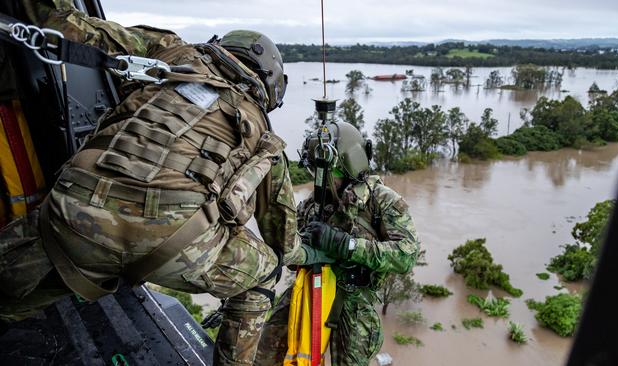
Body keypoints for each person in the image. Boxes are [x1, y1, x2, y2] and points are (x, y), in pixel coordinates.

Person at [0, 1, 301, 365]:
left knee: (25, 279)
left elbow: (72, 27)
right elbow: (283, 240)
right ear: (269, 83)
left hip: (78, 214)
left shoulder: (173, 53)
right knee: (264, 273)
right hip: (177, 243)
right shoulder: (265, 138)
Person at [254, 121, 421, 366]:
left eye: (325, 173)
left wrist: (347, 245)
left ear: (347, 164)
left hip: (354, 303)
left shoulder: (381, 201)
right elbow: (288, 248)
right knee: (267, 353)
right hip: (309, 289)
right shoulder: (315, 203)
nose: (319, 180)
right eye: (315, 172)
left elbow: (407, 254)